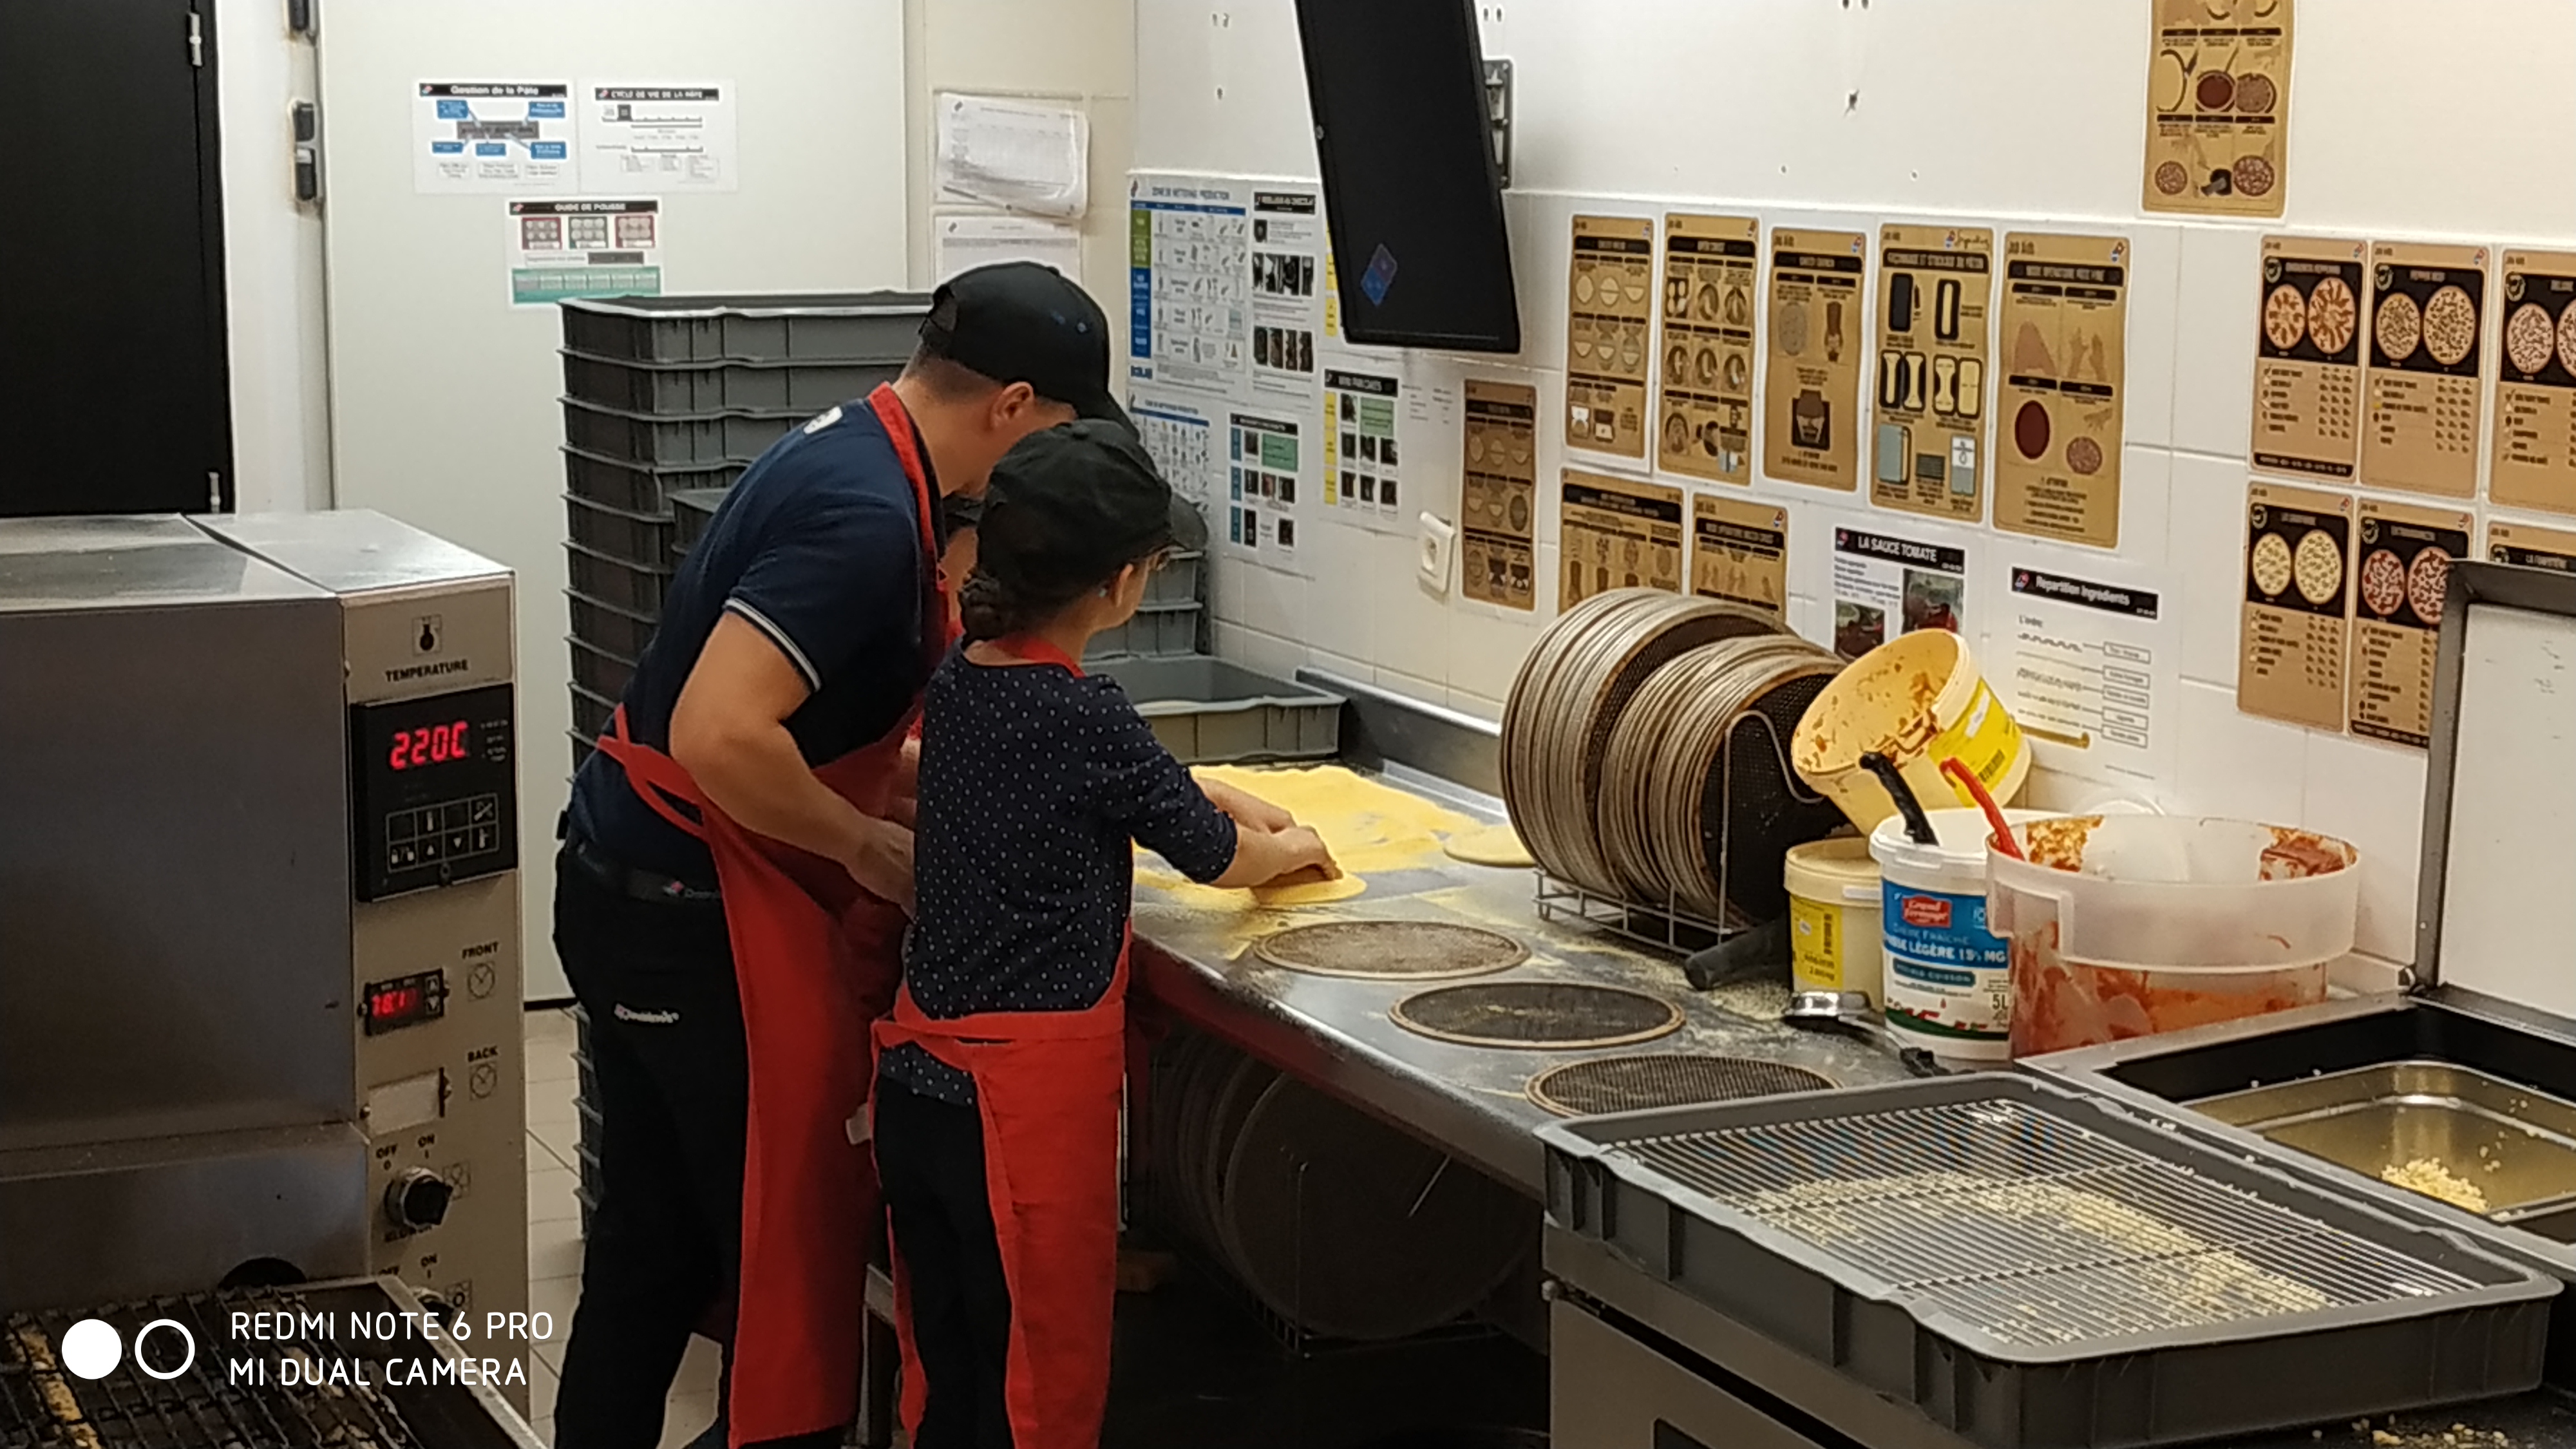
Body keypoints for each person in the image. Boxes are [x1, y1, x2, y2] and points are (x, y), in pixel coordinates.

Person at [551, 261, 1127, 1449]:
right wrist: (868, 848)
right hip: (691, 914)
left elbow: (815, 730)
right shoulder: (868, 517)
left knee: (651, 1246)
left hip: (626, 883)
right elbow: (722, 733)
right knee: (777, 1258)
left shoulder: (851, 449)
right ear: (1013, 406)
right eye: (1060, 430)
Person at [875, 422, 1336, 1448]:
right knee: (1033, 1392)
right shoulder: (1089, 715)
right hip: (1016, 1114)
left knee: (952, 1381)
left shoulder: (961, 679)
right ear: (1124, 583)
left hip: (919, 1089)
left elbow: (1103, 791)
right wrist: (1293, 844)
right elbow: (1214, 857)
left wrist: (1199, 789)